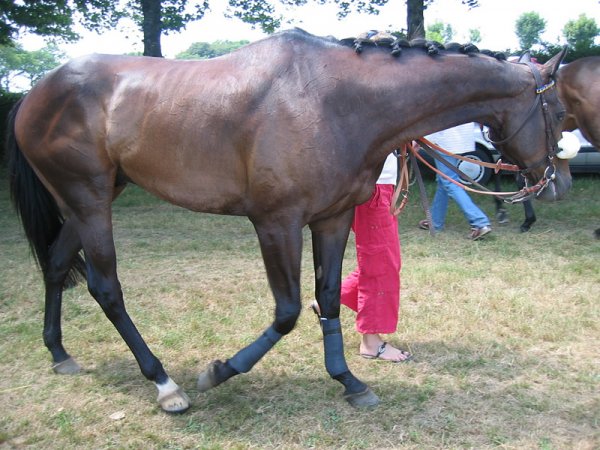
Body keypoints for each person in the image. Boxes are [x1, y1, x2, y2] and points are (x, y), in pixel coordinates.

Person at [312, 153, 412, 363]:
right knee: (379, 264)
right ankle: (371, 343)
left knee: (383, 261)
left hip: (376, 184)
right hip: (372, 186)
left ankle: (328, 302)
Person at [418, 123, 492, 240]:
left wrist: (422, 138)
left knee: (449, 182)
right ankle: (435, 221)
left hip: (445, 140)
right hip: (460, 140)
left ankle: (480, 223)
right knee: (444, 181)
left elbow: (438, 117)